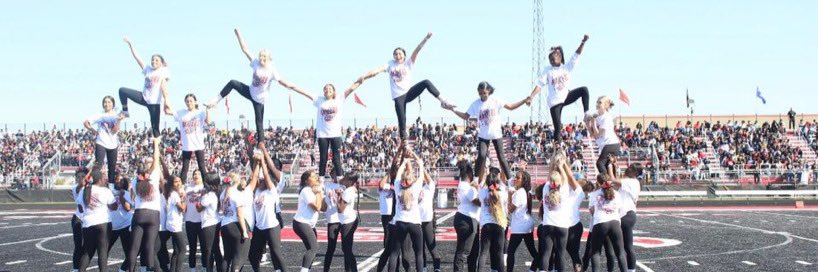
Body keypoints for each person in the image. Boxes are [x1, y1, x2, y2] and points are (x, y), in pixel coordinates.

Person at [357, 32, 457, 140]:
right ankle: (404, 145)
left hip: (408, 93)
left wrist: (426, 38)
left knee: (426, 82)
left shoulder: (408, 63)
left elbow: (417, 49)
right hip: (398, 97)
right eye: (395, 54)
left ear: (404, 55)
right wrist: (365, 76)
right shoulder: (390, 64)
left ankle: (444, 101)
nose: (397, 56)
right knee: (402, 121)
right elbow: (377, 70)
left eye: (400, 53)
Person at [206, 28, 295, 141]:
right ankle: (216, 100)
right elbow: (245, 49)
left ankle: (260, 144)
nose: (261, 60)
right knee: (233, 82)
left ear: (268, 59)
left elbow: (281, 81)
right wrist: (238, 34)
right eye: (260, 57)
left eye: (263, 58)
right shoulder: (255, 63)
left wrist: (292, 86)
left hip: (259, 100)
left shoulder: (272, 69)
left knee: (259, 122)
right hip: (250, 91)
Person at [448, 81, 531, 178]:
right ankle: (476, 178)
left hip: (496, 134)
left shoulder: (495, 100)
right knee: (482, 155)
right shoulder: (476, 104)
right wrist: (453, 110)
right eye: (480, 93)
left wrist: (524, 100)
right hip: (483, 135)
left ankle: (509, 180)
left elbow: (511, 107)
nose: (482, 95)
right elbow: (466, 116)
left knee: (501, 157)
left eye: (484, 93)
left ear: (489, 91)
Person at [286, 78, 363, 178]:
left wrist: (361, 81)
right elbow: (305, 93)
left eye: (330, 89)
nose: (327, 90)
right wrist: (292, 87)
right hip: (322, 134)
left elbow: (351, 88)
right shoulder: (319, 100)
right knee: (323, 158)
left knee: (336, 158)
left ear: (334, 91)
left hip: (335, 134)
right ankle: (321, 180)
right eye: (325, 89)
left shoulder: (339, 99)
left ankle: (340, 179)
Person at [526, 34, 591, 143]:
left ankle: (586, 114)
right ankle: (558, 148)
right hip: (555, 102)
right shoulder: (548, 70)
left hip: (566, 96)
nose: (551, 61)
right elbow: (540, 85)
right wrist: (531, 96)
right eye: (550, 59)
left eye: (553, 58)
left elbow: (577, 54)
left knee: (584, 90)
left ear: (559, 58)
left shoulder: (567, 67)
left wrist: (583, 42)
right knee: (557, 127)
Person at [383, 146, 427, 272]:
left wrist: (405, 161)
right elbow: (421, 165)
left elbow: (397, 175)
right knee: (418, 253)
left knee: (394, 253)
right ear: (411, 180)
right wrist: (413, 155)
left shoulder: (397, 186)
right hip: (414, 223)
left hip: (400, 223)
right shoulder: (416, 187)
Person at [118, 37, 171, 138]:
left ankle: (157, 150)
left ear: (161, 62)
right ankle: (125, 111)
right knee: (122, 90)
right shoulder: (148, 69)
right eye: (152, 60)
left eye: (156, 60)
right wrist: (130, 44)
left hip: (154, 104)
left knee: (155, 129)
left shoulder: (163, 71)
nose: (153, 61)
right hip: (143, 97)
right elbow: (137, 57)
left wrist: (166, 101)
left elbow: (165, 87)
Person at [124, 137, 164, 272]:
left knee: (134, 247)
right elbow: (156, 159)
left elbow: (132, 195)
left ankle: (130, 269)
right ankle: (150, 268)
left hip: (139, 213)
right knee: (150, 246)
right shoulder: (153, 177)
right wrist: (156, 144)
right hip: (153, 214)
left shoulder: (136, 181)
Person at [539, 152, 582, 272]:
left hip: (548, 224)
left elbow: (550, 176)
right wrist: (562, 165)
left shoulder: (546, 187)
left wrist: (553, 164)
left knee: (546, 253)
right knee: (561, 253)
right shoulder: (564, 188)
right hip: (562, 225)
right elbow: (567, 178)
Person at [248, 151, 287, 272]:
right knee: (252, 255)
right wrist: (257, 162)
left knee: (276, 253)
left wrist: (263, 164)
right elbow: (254, 176)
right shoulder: (257, 191)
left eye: (263, 180)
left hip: (271, 226)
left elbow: (265, 174)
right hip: (259, 227)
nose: (260, 181)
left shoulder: (272, 191)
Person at [588, 167, 628, 272]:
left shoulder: (594, 194)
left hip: (600, 222)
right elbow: (621, 210)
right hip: (614, 223)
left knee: (595, 253)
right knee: (620, 253)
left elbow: (592, 211)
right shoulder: (617, 194)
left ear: (598, 182)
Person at [77, 170, 117, 272]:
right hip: (103, 223)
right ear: (99, 179)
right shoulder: (105, 191)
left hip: (87, 223)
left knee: (87, 252)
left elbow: (80, 208)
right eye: (104, 178)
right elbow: (114, 207)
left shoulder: (83, 190)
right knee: (102, 252)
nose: (105, 180)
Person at [165, 94, 211, 183]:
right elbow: (167, 111)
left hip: (198, 144)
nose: (189, 103)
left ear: (195, 102)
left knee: (202, 167)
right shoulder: (181, 113)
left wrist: (208, 109)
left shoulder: (200, 112)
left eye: (191, 101)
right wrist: (165, 96)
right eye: (187, 101)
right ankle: (182, 187)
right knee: (185, 168)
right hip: (187, 144)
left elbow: (208, 121)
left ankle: (206, 186)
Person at [84, 96, 125, 188]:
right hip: (101, 142)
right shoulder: (99, 114)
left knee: (112, 166)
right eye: (105, 102)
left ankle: (111, 186)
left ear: (113, 104)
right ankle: (95, 185)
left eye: (109, 102)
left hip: (113, 144)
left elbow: (114, 131)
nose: (107, 104)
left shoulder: (116, 115)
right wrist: (94, 131)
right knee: (98, 164)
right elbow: (86, 122)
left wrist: (118, 120)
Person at [219, 171, 254, 272]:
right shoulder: (237, 194)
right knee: (239, 258)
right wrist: (244, 231)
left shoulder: (223, 193)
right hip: (235, 225)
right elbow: (239, 214)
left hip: (225, 225)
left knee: (227, 257)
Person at [506, 170, 539, 272]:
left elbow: (510, 209)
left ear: (523, 180)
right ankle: (533, 269)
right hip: (525, 224)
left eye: (518, 177)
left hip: (520, 226)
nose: (515, 179)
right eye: (515, 176)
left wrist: (509, 194)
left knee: (510, 251)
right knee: (533, 251)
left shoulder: (519, 193)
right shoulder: (523, 191)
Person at [477, 167, 508, 272]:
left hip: (486, 224)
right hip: (499, 224)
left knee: (484, 253)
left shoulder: (483, 192)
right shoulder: (503, 192)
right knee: (499, 253)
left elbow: (480, 190)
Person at [293, 170, 325, 272]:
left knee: (311, 249)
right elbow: (317, 208)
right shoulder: (306, 190)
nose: (316, 178)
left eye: (316, 175)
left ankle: (306, 269)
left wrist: (326, 195)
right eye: (313, 176)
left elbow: (324, 208)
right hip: (301, 223)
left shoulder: (313, 190)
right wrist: (319, 193)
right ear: (307, 181)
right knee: (313, 248)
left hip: (308, 224)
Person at [613, 163, 643, 272]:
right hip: (626, 215)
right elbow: (615, 182)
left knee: (627, 246)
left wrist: (610, 166)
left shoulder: (632, 182)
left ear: (635, 173)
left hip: (626, 215)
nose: (627, 168)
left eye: (630, 168)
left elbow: (612, 180)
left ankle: (631, 270)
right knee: (625, 246)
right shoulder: (629, 182)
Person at [452, 162, 480, 272]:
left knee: (473, 252)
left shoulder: (462, 184)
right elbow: (478, 202)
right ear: (469, 174)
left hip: (466, 218)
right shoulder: (467, 187)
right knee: (463, 252)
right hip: (467, 220)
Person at [196, 172, 223, 272]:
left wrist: (200, 197)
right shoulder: (216, 192)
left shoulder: (209, 195)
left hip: (209, 225)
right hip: (215, 222)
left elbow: (198, 208)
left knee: (208, 251)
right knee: (216, 249)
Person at [587, 96, 620, 175]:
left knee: (600, 163)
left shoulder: (606, 117)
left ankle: (606, 183)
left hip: (611, 144)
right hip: (607, 145)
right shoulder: (598, 117)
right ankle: (610, 183)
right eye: (597, 102)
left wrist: (594, 123)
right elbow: (593, 135)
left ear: (606, 105)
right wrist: (588, 124)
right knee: (607, 166)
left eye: (600, 102)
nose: (597, 104)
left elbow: (598, 135)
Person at [108, 174, 134, 272]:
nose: (119, 182)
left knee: (129, 252)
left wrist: (121, 197)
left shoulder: (126, 193)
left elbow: (128, 208)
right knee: (104, 250)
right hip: (113, 226)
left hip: (125, 225)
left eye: (121, 181)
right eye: (117, 180)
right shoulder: (109, 192)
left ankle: (124, 269)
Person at [162, 175, 188, 272]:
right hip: (174, 225)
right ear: (172, 184)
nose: (178, 183)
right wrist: (184, 198)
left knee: (176, 251)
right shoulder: (174, 194)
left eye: (179, 181)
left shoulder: (172, 193)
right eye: (176, 182)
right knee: (182, 250)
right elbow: (182, 208)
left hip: (172, 223)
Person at [337, 173, 361, 272]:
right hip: (349, 220)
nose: (343, 179)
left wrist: (338, 196)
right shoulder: (349, 189)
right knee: (347, 249)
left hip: (348, 222)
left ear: (350, 181)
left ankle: (353, 270)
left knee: (347, 250)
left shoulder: (347, 191)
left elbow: (340, 209)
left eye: (345, 178)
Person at [419, 166, 440, 272]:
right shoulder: (415, 187)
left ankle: (437, 268)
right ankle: (423, 268)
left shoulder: (429, 188)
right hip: (417, 222)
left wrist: (422, 169)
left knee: (432, 247)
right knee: (420, 248)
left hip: (427, 221)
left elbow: (430, 181)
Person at [183, 170, 204, 271]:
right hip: (190, 221)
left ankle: (205, 268)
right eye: (194, 174)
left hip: (202, 221)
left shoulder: (204, 187)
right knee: (192, 248)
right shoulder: (188, 188)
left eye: (198, 174)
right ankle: (192, 269)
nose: (196, 176)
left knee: (204, 247)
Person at [71, 168, 90, 272]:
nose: (80, 179)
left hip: (88, 220)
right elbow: (80, 187)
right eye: (78, 177)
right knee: (78, 246)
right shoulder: (76, 188)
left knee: (87, 246)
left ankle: (82, 267)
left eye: (82, 176)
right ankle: (75, 268)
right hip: (78, 219)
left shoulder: (90, 187)